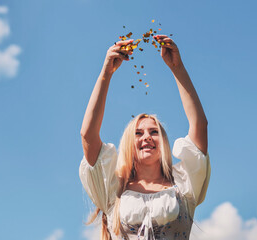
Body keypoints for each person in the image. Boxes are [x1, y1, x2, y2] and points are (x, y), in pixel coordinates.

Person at [79, 35, 211, 240]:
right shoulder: (113, 189)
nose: (147, 137)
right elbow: (88, 135)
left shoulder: (184, 185)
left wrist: (177, 68)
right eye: (138, 133)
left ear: (164, 143)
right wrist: (106, 72)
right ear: (128, 144)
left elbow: (200, 125)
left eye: (154, 131)